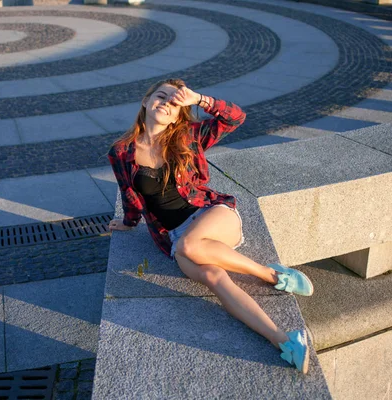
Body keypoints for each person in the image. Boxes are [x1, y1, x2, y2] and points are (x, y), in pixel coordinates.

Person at [107, 78, 314, 374]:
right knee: (216, 279)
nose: (166, 102)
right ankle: (285, 344)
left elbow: (235, 117)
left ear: (180, 113)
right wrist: (128, 223)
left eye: (175, 102)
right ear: (146, 100)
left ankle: (272, 274)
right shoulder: (121, 152)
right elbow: (129, 193)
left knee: (191, 246)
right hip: (173, 237)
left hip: (212, 216)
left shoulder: (191, 135)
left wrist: (199, 99)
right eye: (160, 96)